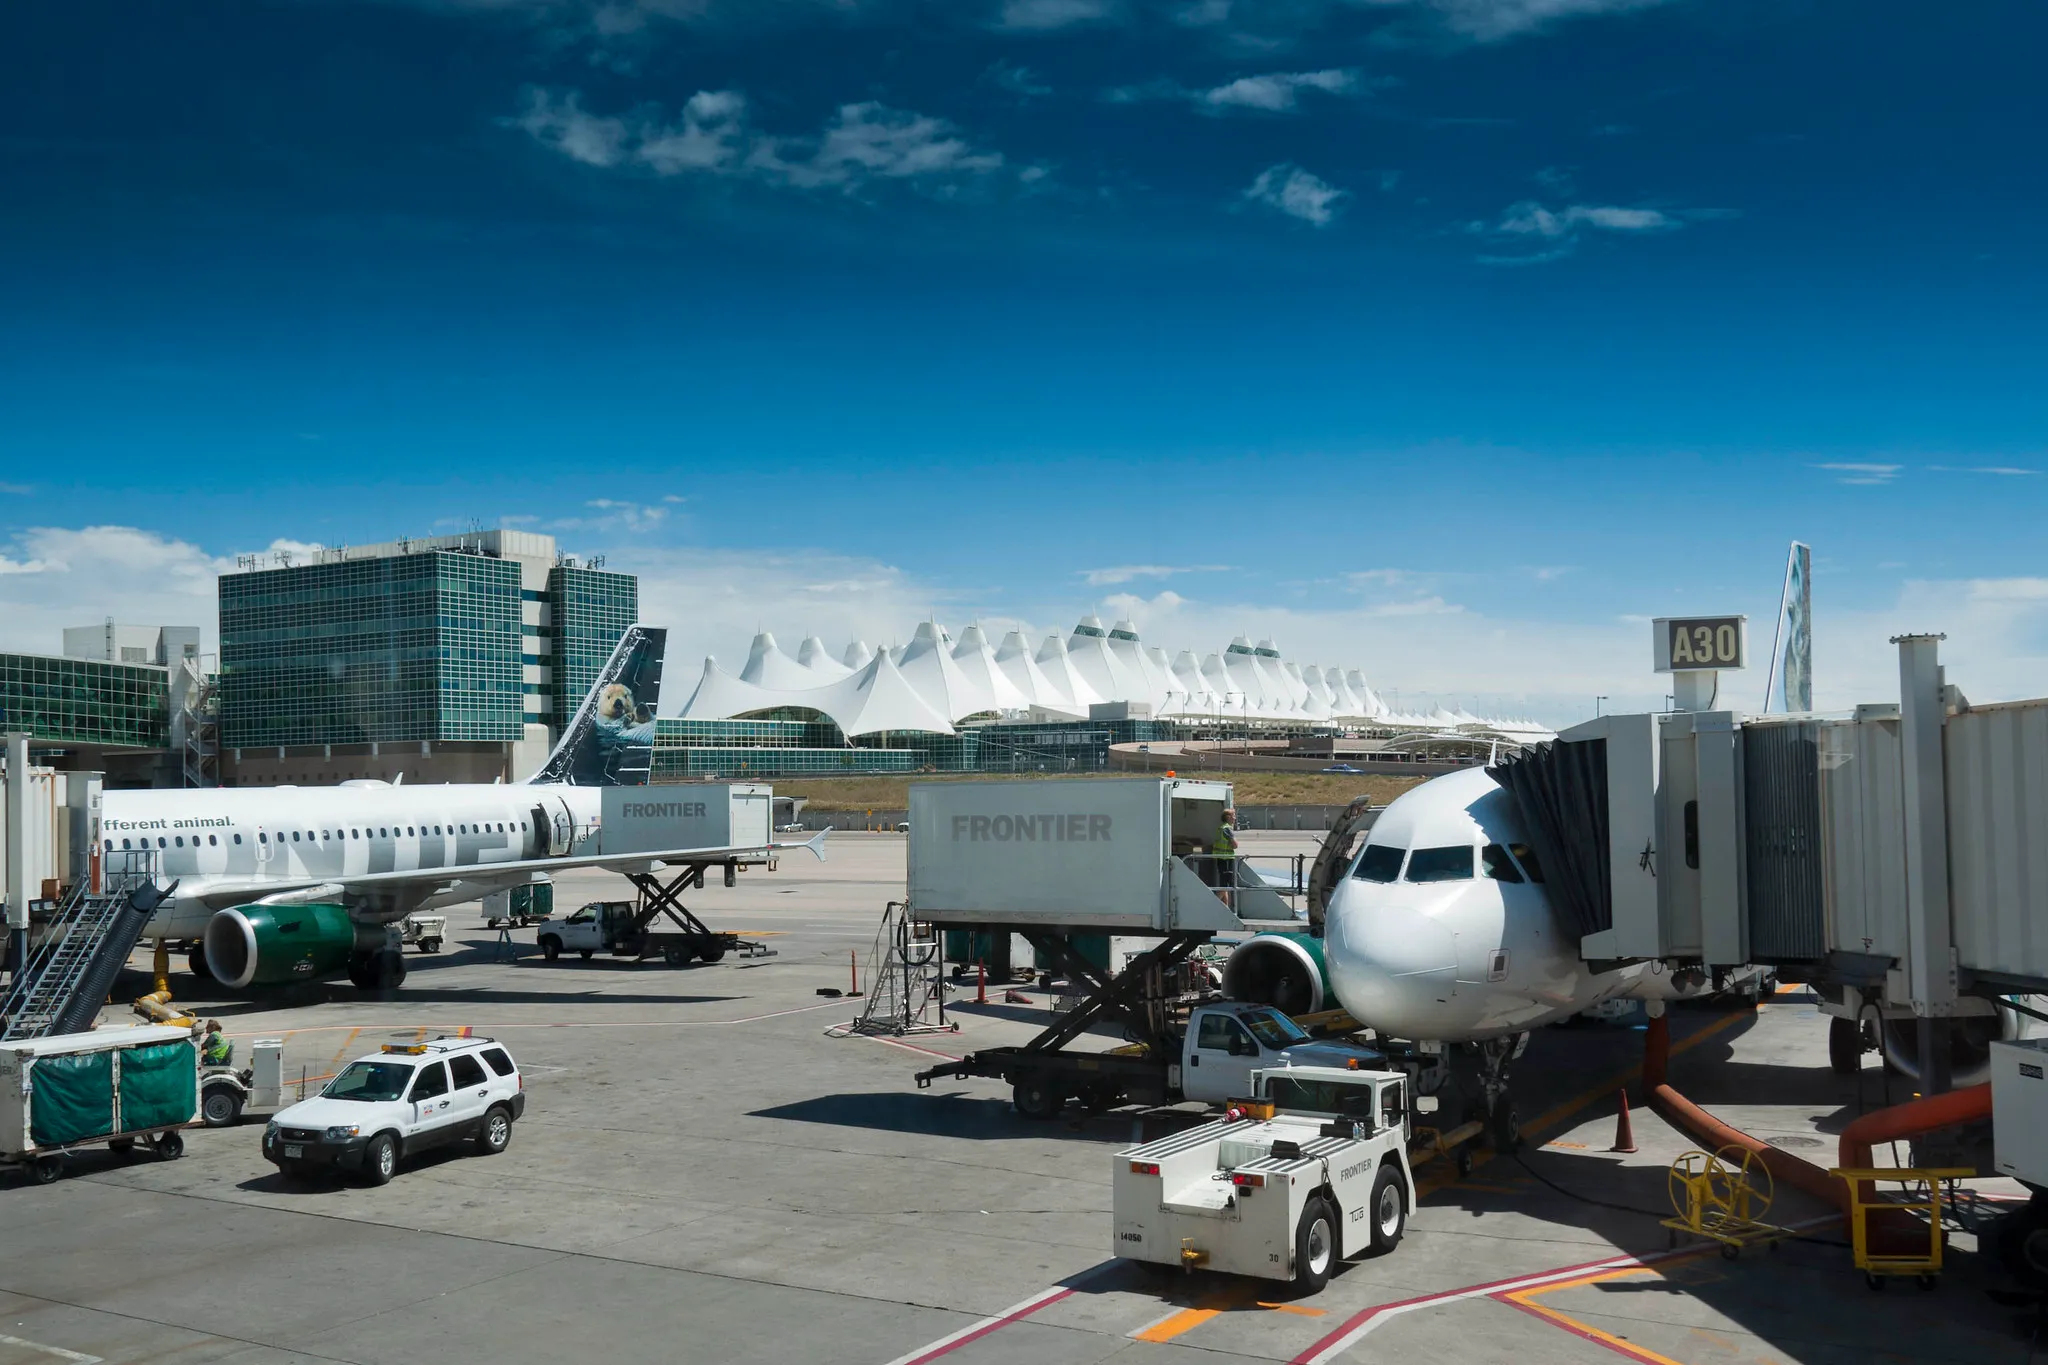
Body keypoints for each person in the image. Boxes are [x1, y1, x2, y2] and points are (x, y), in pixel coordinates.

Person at [1211, 807, 1239, 897]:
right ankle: (1216, 904)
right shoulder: (1227, 829)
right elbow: (1235, 845)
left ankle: (1225, 907)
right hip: (1226, 859)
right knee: (1226, 885)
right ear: (1228, 817)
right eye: (1233, 816)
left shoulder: (1221, 828)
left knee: (1224, 884)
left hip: (1221, 858)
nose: (1235, 818)